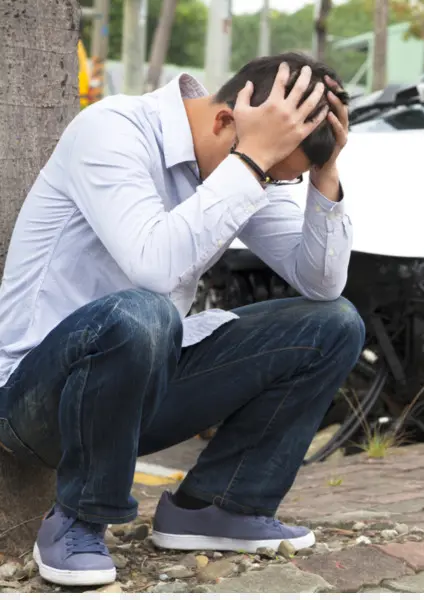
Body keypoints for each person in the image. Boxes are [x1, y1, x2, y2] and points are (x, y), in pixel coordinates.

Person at [0, 53, 364, 587]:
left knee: (334, 324)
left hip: (137, 394)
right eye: (269, 172)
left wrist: (322, 173)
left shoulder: (243, 160)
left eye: (279, 179)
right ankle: (80, 519)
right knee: (144, 312)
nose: (266, 185)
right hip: (36, 401)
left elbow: (323, 283)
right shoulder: (113, 130)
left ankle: (217, 506)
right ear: (224, 121)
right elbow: (154, 266)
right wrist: (253, 161)